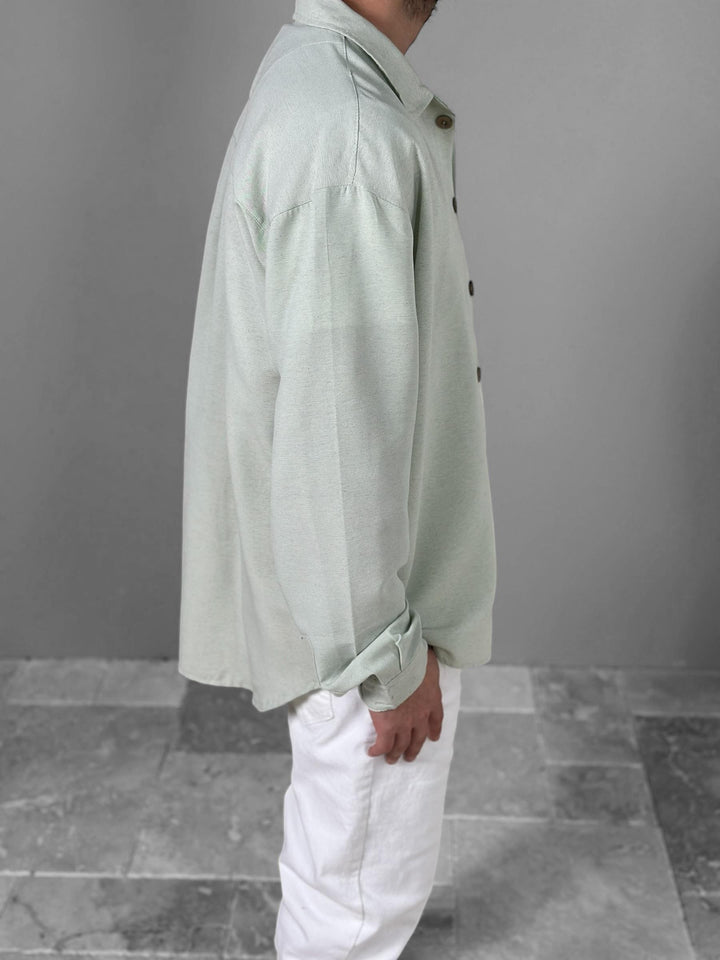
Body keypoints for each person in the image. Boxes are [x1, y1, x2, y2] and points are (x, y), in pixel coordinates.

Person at [177, 0, 497, 955]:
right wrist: (385, 661)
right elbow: (336, 440)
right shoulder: (349, 132)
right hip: (365, 628)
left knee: (342, 870)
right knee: (355, 905)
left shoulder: (319, 80)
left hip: (346, 609)